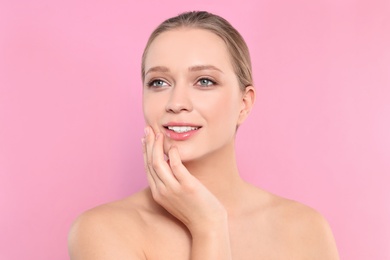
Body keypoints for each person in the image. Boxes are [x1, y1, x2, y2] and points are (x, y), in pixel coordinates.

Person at [68, 11, 339, 259]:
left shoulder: (305, 229)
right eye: (158, 82)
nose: (176, 102)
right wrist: (208, 226)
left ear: (244, 104)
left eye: (204, 81)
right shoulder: (102, 230)